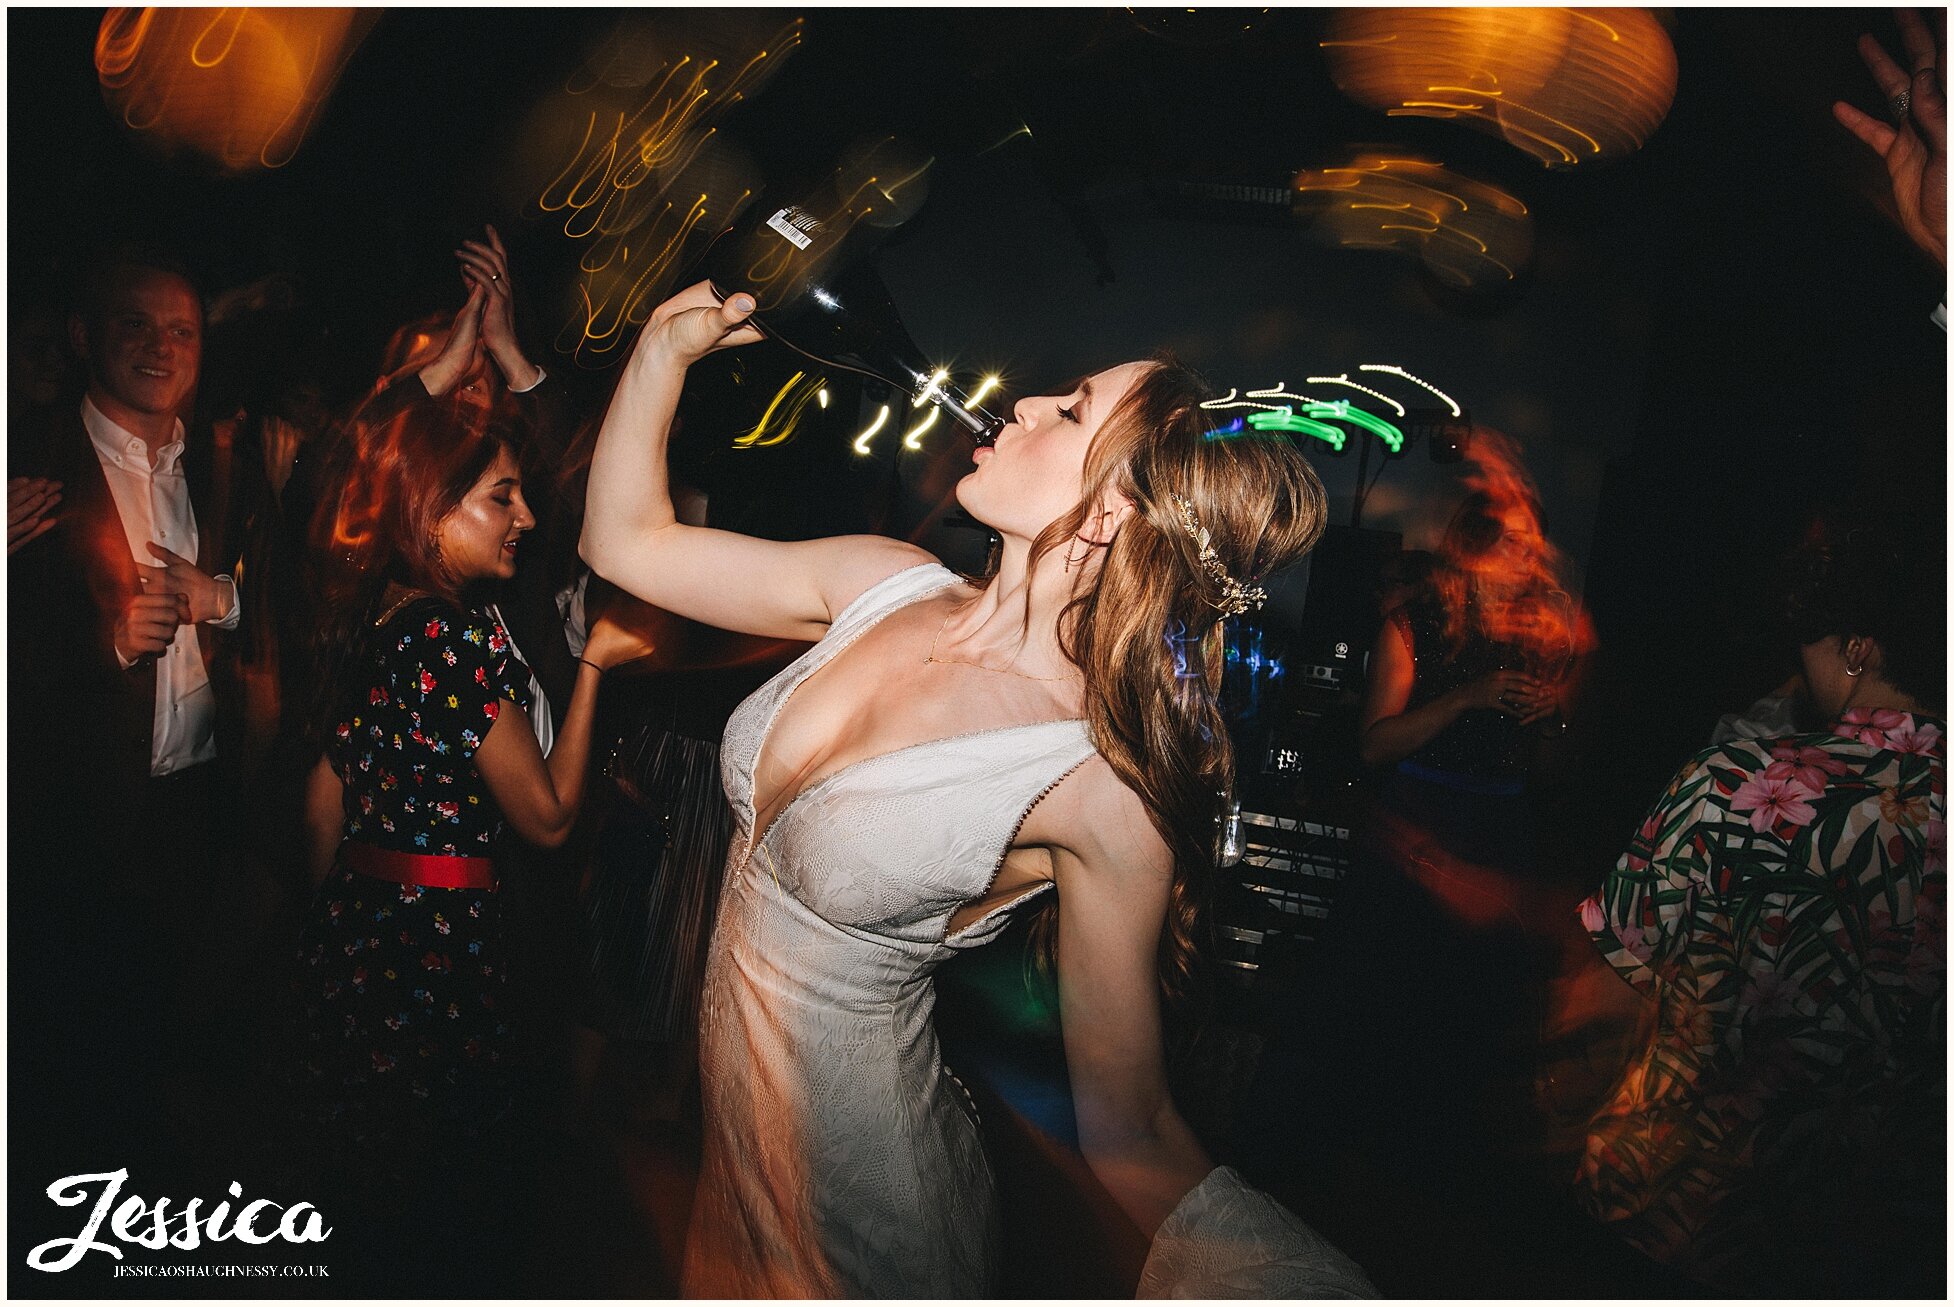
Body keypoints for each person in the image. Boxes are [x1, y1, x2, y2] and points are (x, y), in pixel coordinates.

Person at [581, 283, 1374, 1296]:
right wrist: (659, 351)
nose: (1029, 404)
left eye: (1072, 408)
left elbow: (1129, 1127)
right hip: (734, 1158)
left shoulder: (1094, 784)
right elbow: (626, 546)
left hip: (867, 1212)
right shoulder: (884, 579)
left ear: (1114, 513)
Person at [286, 389, 650, 1285]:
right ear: (432, 506)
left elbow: (321, 803)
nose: (525, 516)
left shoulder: (379, 613)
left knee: (368, 1175)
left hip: (358, 930)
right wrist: (601, 657)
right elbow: (552, 815)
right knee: (449, 1203)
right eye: (501, 496)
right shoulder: (449, 636)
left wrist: (336, 925)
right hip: (434, 941)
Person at [1572, 517, 1944, 1297]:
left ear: (1856, 648)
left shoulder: (1731, 778)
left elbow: (1614, 975)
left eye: (1806, 644)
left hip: (1687, 1197)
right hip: (1865, 1221)